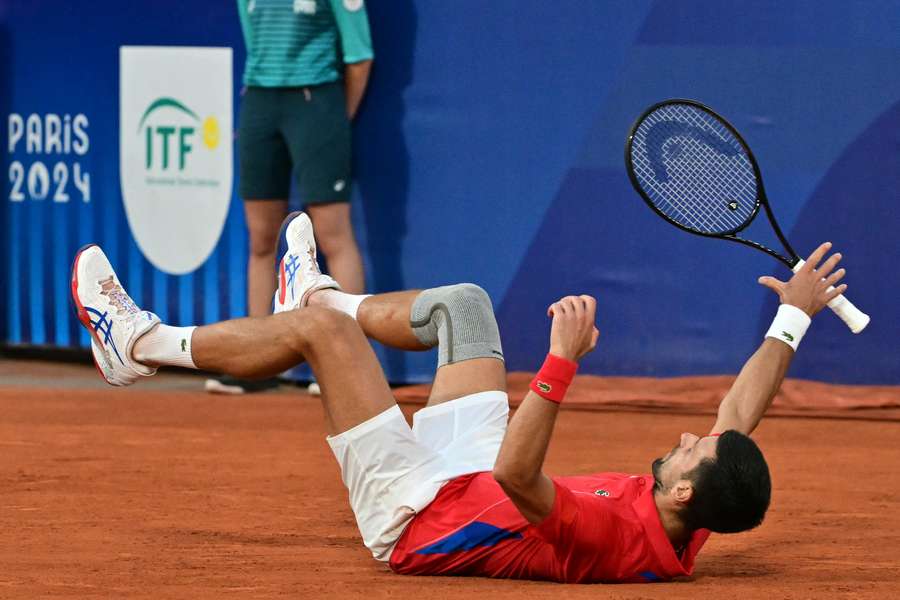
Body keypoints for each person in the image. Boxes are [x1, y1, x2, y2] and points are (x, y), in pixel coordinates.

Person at [71, 213, 848, 583]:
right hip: (472, 475)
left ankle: (136, 343)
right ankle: (323, 290)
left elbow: (517, 477)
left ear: (683, 490)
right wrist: (794, 314)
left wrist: (559, 365)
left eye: (692, 452)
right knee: (465, 308)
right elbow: (738, 417)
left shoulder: (615, 533)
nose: (688, 438)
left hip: (419, 513)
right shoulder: (698, 507)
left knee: (319, 340)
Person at [208, 0, 374, 394]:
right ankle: (258, 363)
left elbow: (360, 56)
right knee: (262, 238)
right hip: (261, 101)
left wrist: (333, 117)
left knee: (333, 234)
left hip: (316, 100)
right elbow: (255, 42)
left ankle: (347, 364)